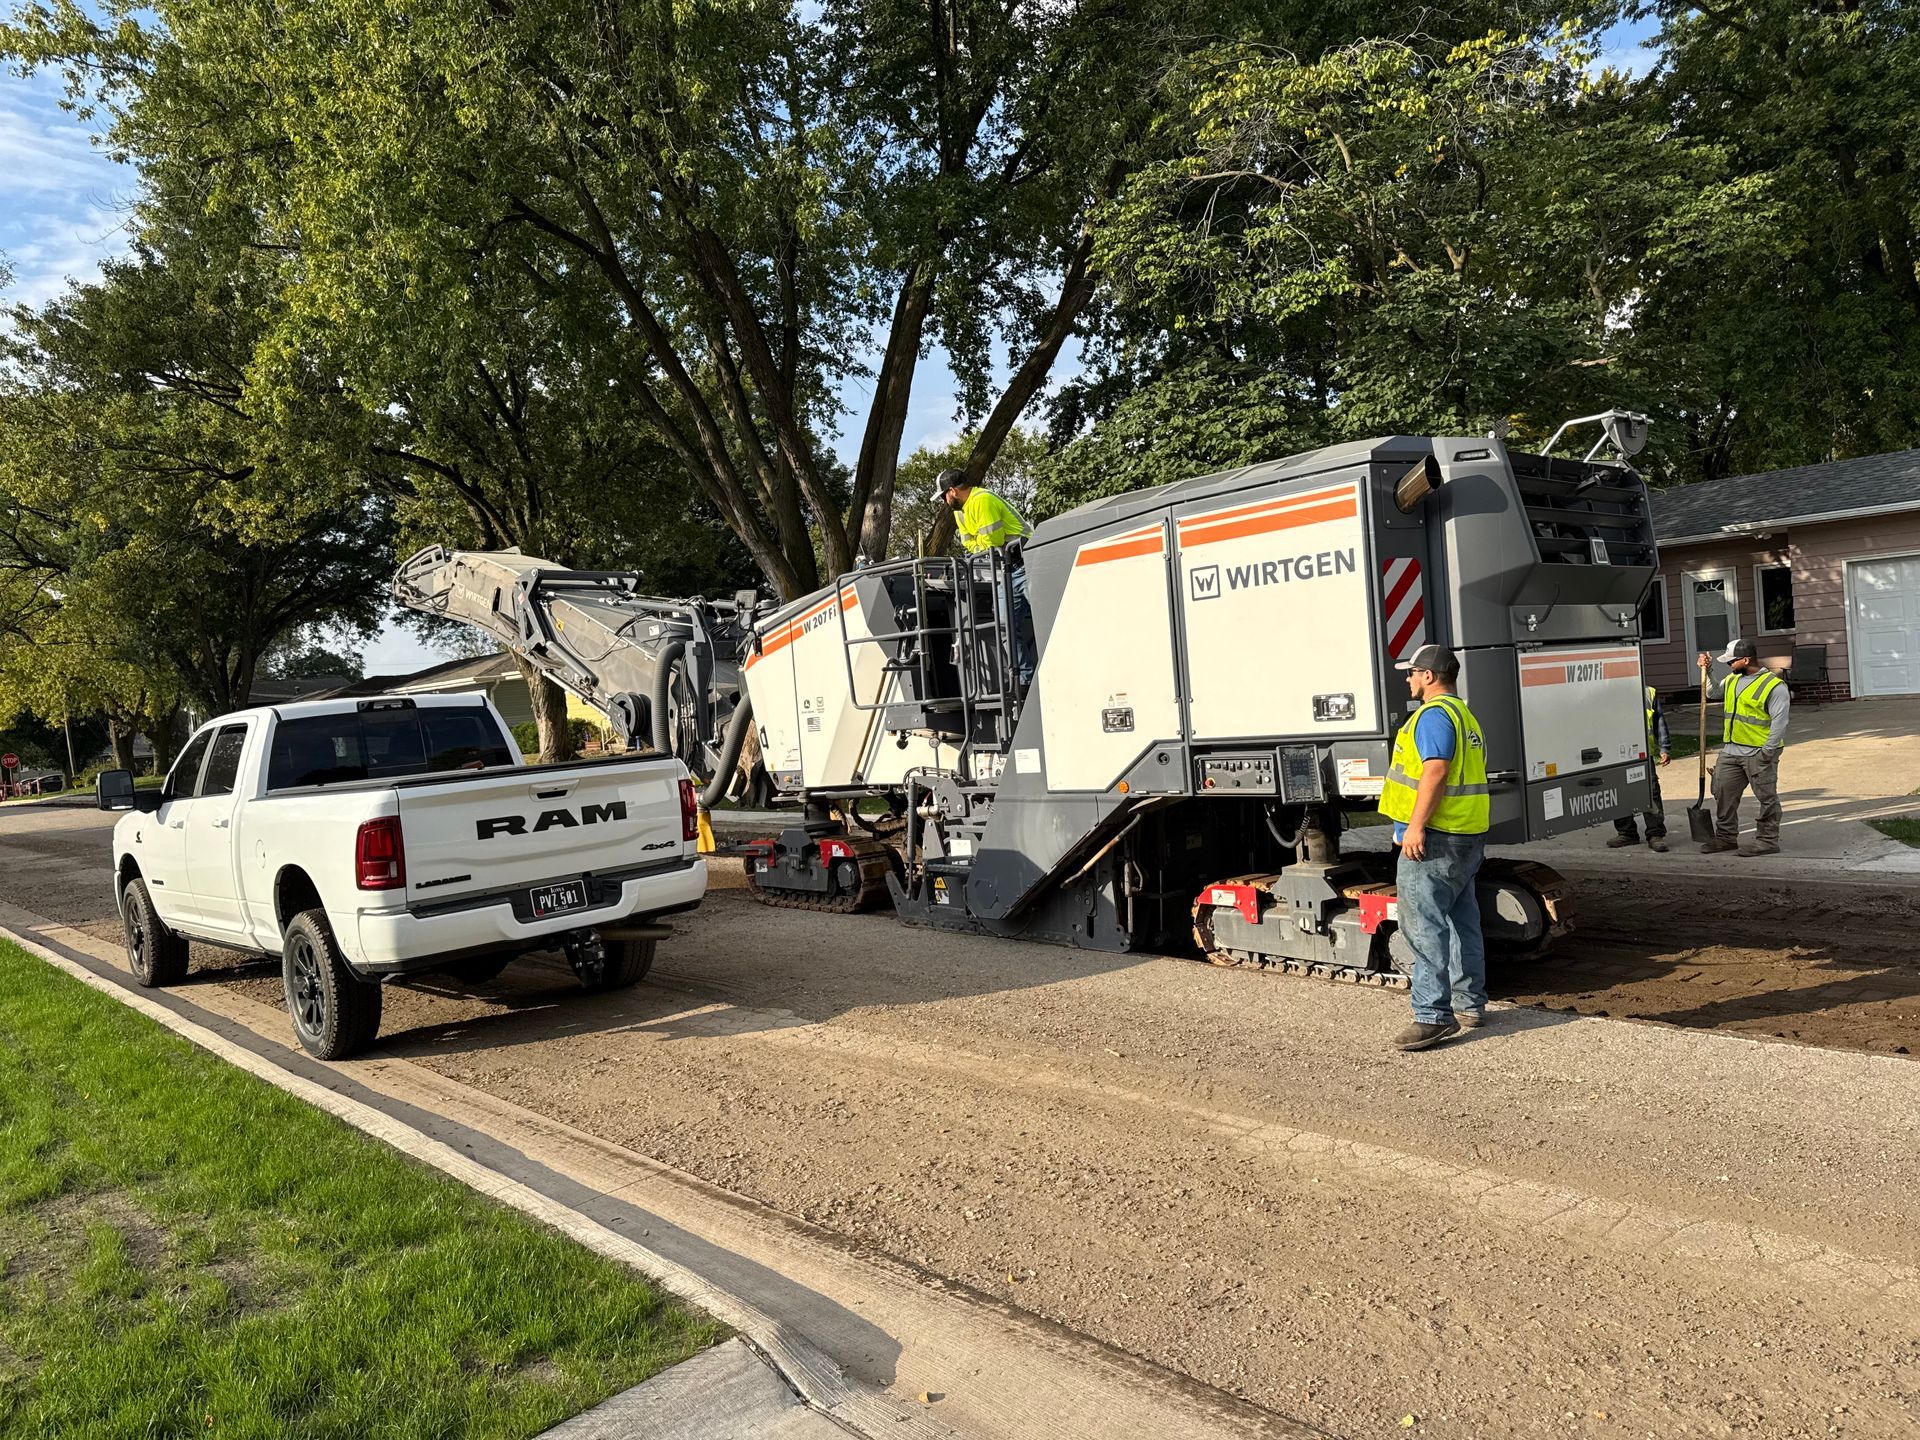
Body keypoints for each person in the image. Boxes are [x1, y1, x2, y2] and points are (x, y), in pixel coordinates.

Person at [1377, 643, 1491, 1052]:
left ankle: (1432, 1016)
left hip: (1436, 839)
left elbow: (1436, 771)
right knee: (1462, 920)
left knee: (1423, 925)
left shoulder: (1433, 716)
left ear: (1429, 676)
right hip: (1466, 835)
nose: (1407, 679)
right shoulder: (1464, 714)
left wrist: (1415, 827)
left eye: (1411, 672)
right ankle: (1470, 1004)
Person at [936, 468, 1036, 689]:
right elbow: (968, 544)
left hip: (1028, 563)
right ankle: (1026, 680)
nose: (943, 501)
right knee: (1004, 627)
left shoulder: (983, 500)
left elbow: (992, 541)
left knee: (1045, 617)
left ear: (952, 491)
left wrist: (980, 544)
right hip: (1006, 571)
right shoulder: (959, 512)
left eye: (943, 495)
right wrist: (981, 544)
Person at [1696, 637, 1789, 856]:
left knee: (1766, 797)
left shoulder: (1774, 686)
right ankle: (1726, 838)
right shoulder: (1732, 680)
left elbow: (1780, 722)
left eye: (1731, 661)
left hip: (1758, 752)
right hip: (1731, 750)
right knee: (1722, 792)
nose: (1728, 665)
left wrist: (1768, 751)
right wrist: (1708, 670)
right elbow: (1712, 693)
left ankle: (1767, 841)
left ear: (1746, 660)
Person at [1607, 684, 1672, 851]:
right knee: (1619, 792)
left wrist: (1664, 747)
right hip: (1615, 753)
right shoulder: (1607, 692)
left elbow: (1659, 721)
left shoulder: (1648, 692)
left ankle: (1655, 834)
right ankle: (1627, 833)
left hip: (1642, 752)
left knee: (1650, 792)